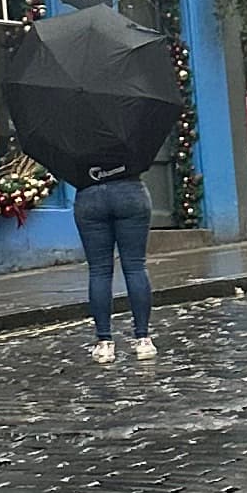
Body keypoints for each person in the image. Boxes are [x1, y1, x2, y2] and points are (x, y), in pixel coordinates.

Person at [72, 150, 159, 362]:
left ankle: (104, 344)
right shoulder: (127, 124)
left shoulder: (74, 134)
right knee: (135, 266)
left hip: (89, 193)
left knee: (99, 271)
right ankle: (143, 340)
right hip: (129, 190)